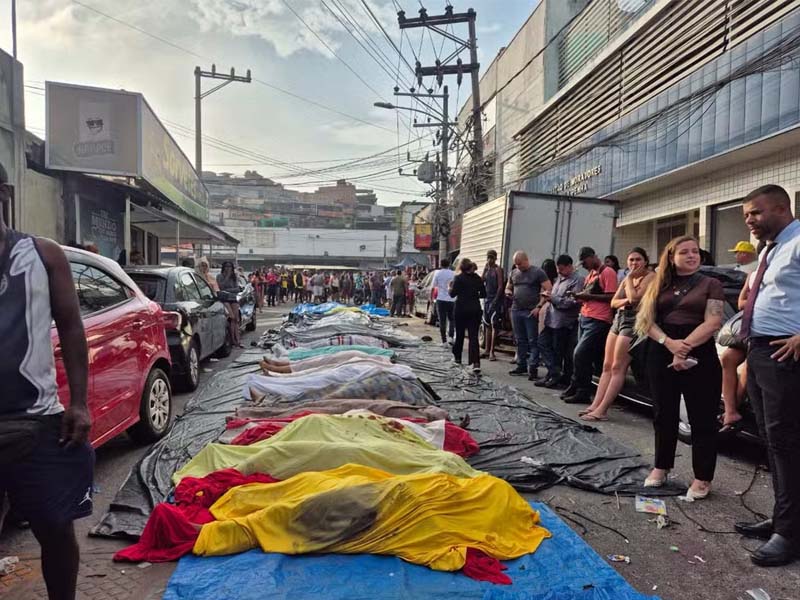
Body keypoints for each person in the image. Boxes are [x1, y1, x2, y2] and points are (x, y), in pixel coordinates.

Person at [0, 161, 94, 600]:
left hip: (37, 425)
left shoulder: (42, 255)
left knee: (55, 528)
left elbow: (73, 327)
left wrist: (79, 402)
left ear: (3, 194)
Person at [734, 184, 800, 567]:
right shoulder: (770, 249)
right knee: (772, 441)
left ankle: (789, 535)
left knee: (787, 442)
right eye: (746, 215)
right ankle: (783, 518)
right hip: (759, 350)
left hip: (784, 353)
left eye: (755, 213)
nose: (749, 221)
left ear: (780, 207)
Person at [634, 236, 725, 500]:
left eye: (695, 251)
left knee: (702, 417)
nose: (691, 255)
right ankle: (661, 467)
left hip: (700, 350)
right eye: (684, 252)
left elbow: (713, 320)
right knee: (664, 413)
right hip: (661, 348)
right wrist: (668, 343)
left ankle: (702, 477)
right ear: (671, 257)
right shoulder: (658, 282)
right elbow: (646, 321)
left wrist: (683, 346)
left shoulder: (711, 284)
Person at [580, 248, 655, 421]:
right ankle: (595, 405)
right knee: (607, 365)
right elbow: (614, 302)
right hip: (619, 319)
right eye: (631, 260)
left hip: (634, 322)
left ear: (645, 261)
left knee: (618, 367)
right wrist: (627, 299)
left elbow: (635, 298)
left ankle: (602, 410)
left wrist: (628, 281)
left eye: (638, 260)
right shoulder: (629, 278)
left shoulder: (650, 277)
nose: (634, 263)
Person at [561, 247, 618, 404]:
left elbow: (612, 296)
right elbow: (588, 295)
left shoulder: (608, 272)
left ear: (593, 257)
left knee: (580, 354)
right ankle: (576, 385)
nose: (584, 265)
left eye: (585, 261)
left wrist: (588, 296)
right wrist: (577, 296)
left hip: (599, 319)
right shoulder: (591, 274)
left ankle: (583, 391)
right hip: (585, 317)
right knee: (579, 356)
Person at [535, 254, 584, 389]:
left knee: (558, 351)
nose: (559, 271)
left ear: (569, 266)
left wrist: (553, 298)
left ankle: (556, 376)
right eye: (558, 269)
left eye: (562, 269)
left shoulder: (577, 280)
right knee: (542, 343)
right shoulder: (559, 279)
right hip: (551, 319)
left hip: (564, 321)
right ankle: (553, 372)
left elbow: (571, 302)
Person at [505, 251, 552, 379]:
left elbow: (548, 289)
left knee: (533, 340)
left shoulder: (537, 272)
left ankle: (533, 367)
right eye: (516, 264)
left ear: (526, 260)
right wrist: (508, 292)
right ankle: (521, 365)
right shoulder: (514, 273)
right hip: (516, 309)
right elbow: (508, 287)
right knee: (520, 340)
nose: (518, 266)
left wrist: (539, 306)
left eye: (520, 264)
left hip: (530, 311)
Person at [718, 275, 753, 433]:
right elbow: (741, 303)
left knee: (750, 363)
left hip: (774, 330)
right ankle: (730, 409)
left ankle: (732, 411)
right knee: (727, 357)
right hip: (751, 329)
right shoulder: (753, 275)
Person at [449, 258, 486, 372]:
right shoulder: (477, 278)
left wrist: (450, 287)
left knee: (459, 334)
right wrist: (473, 295)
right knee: (473, 336)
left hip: (461, 309)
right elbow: (484, 293)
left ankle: (458, 358)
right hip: (474, 309)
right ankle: (475, 362)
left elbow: (452, 294)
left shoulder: (458, 278)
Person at [481, 250, 505, 361]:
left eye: (491, 258)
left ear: (495, 258)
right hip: (486, 299)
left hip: (494, 300)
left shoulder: (498, 269)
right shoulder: (487, 269)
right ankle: (486, 349)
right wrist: (485, 270)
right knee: (487, 325)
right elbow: (481, 281)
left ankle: (492, 351)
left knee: (494, 324)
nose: (489, 260)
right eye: (488, 257)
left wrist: (495, 300)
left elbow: (500, 286)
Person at [217, 261, 244, 348]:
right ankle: (232, 339)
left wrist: (228, 290)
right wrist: (227, 277)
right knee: (231, 317)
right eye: (226, 266)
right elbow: (220, 287)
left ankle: (237, 340)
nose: (228, 268)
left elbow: (237, 289)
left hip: (233, 298)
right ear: (223, 267)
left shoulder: (234, 277)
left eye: (230, 267)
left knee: (236, 320)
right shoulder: (219, 276)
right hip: (225, 299)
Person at [432, 259, 456, 346]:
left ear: (440, 264)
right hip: (451, 299)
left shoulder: (437, 273)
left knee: (442, 320)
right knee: (452, 319)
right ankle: (451, 337)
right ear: (449, 264)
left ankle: (444, 341)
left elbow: (434, 286)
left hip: (441, 299)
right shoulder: (453, 273)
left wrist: (432, 298)